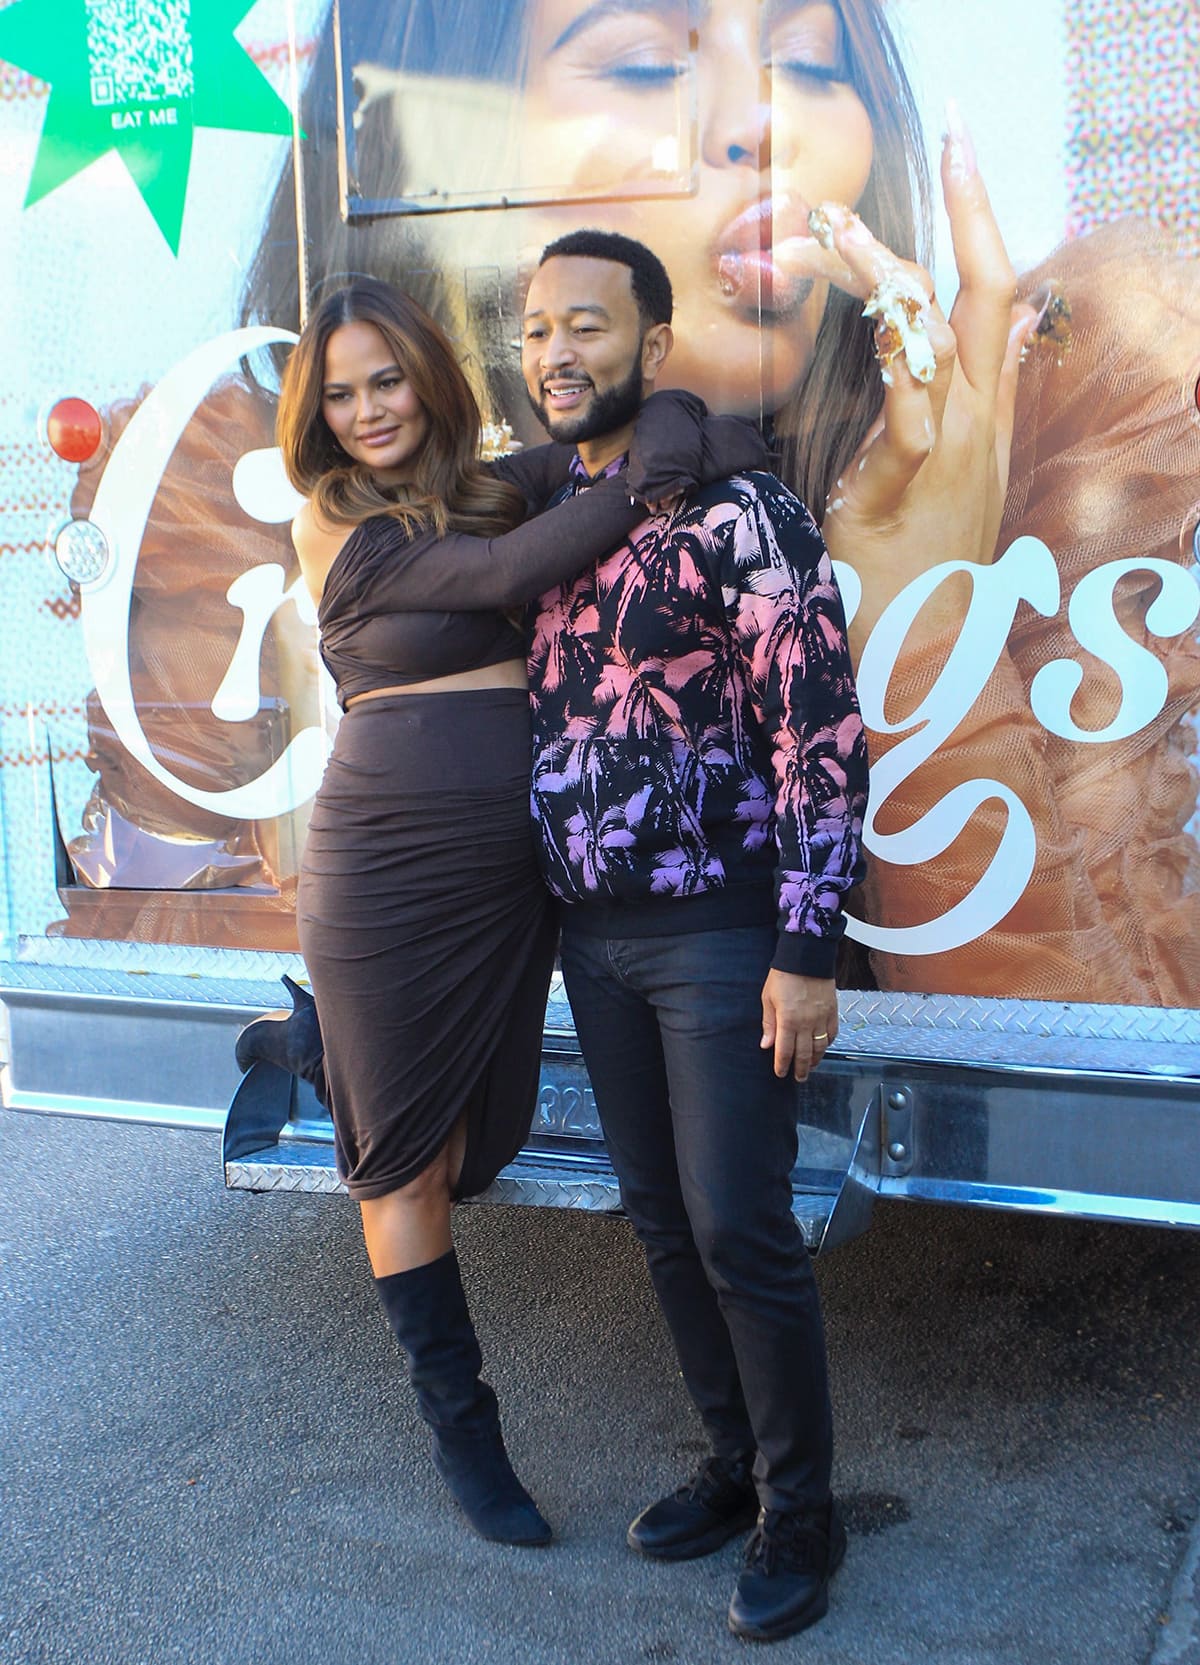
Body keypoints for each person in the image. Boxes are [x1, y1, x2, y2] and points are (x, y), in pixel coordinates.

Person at [232, 0, 1199, 1006]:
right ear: (440, 159)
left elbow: (1080, 1101)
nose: (762, 119)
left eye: (806, 60)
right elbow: (244, 972)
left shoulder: (1046, 438)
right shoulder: (267, 496)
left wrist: (922, 630)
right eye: (647, 67)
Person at [242, 230, 869, 1641]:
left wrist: (807, 944)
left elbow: (811, 714)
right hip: (500, 901)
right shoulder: (408, 527)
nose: (370, 408)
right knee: (589, 1201)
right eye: (341, 393)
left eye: (390, 378)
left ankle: (799, 1512)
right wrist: (653, 446)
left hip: (649, 914)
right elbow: (539, 548)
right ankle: (597, 1450)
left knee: (718, 1218)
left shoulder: (658, 497)